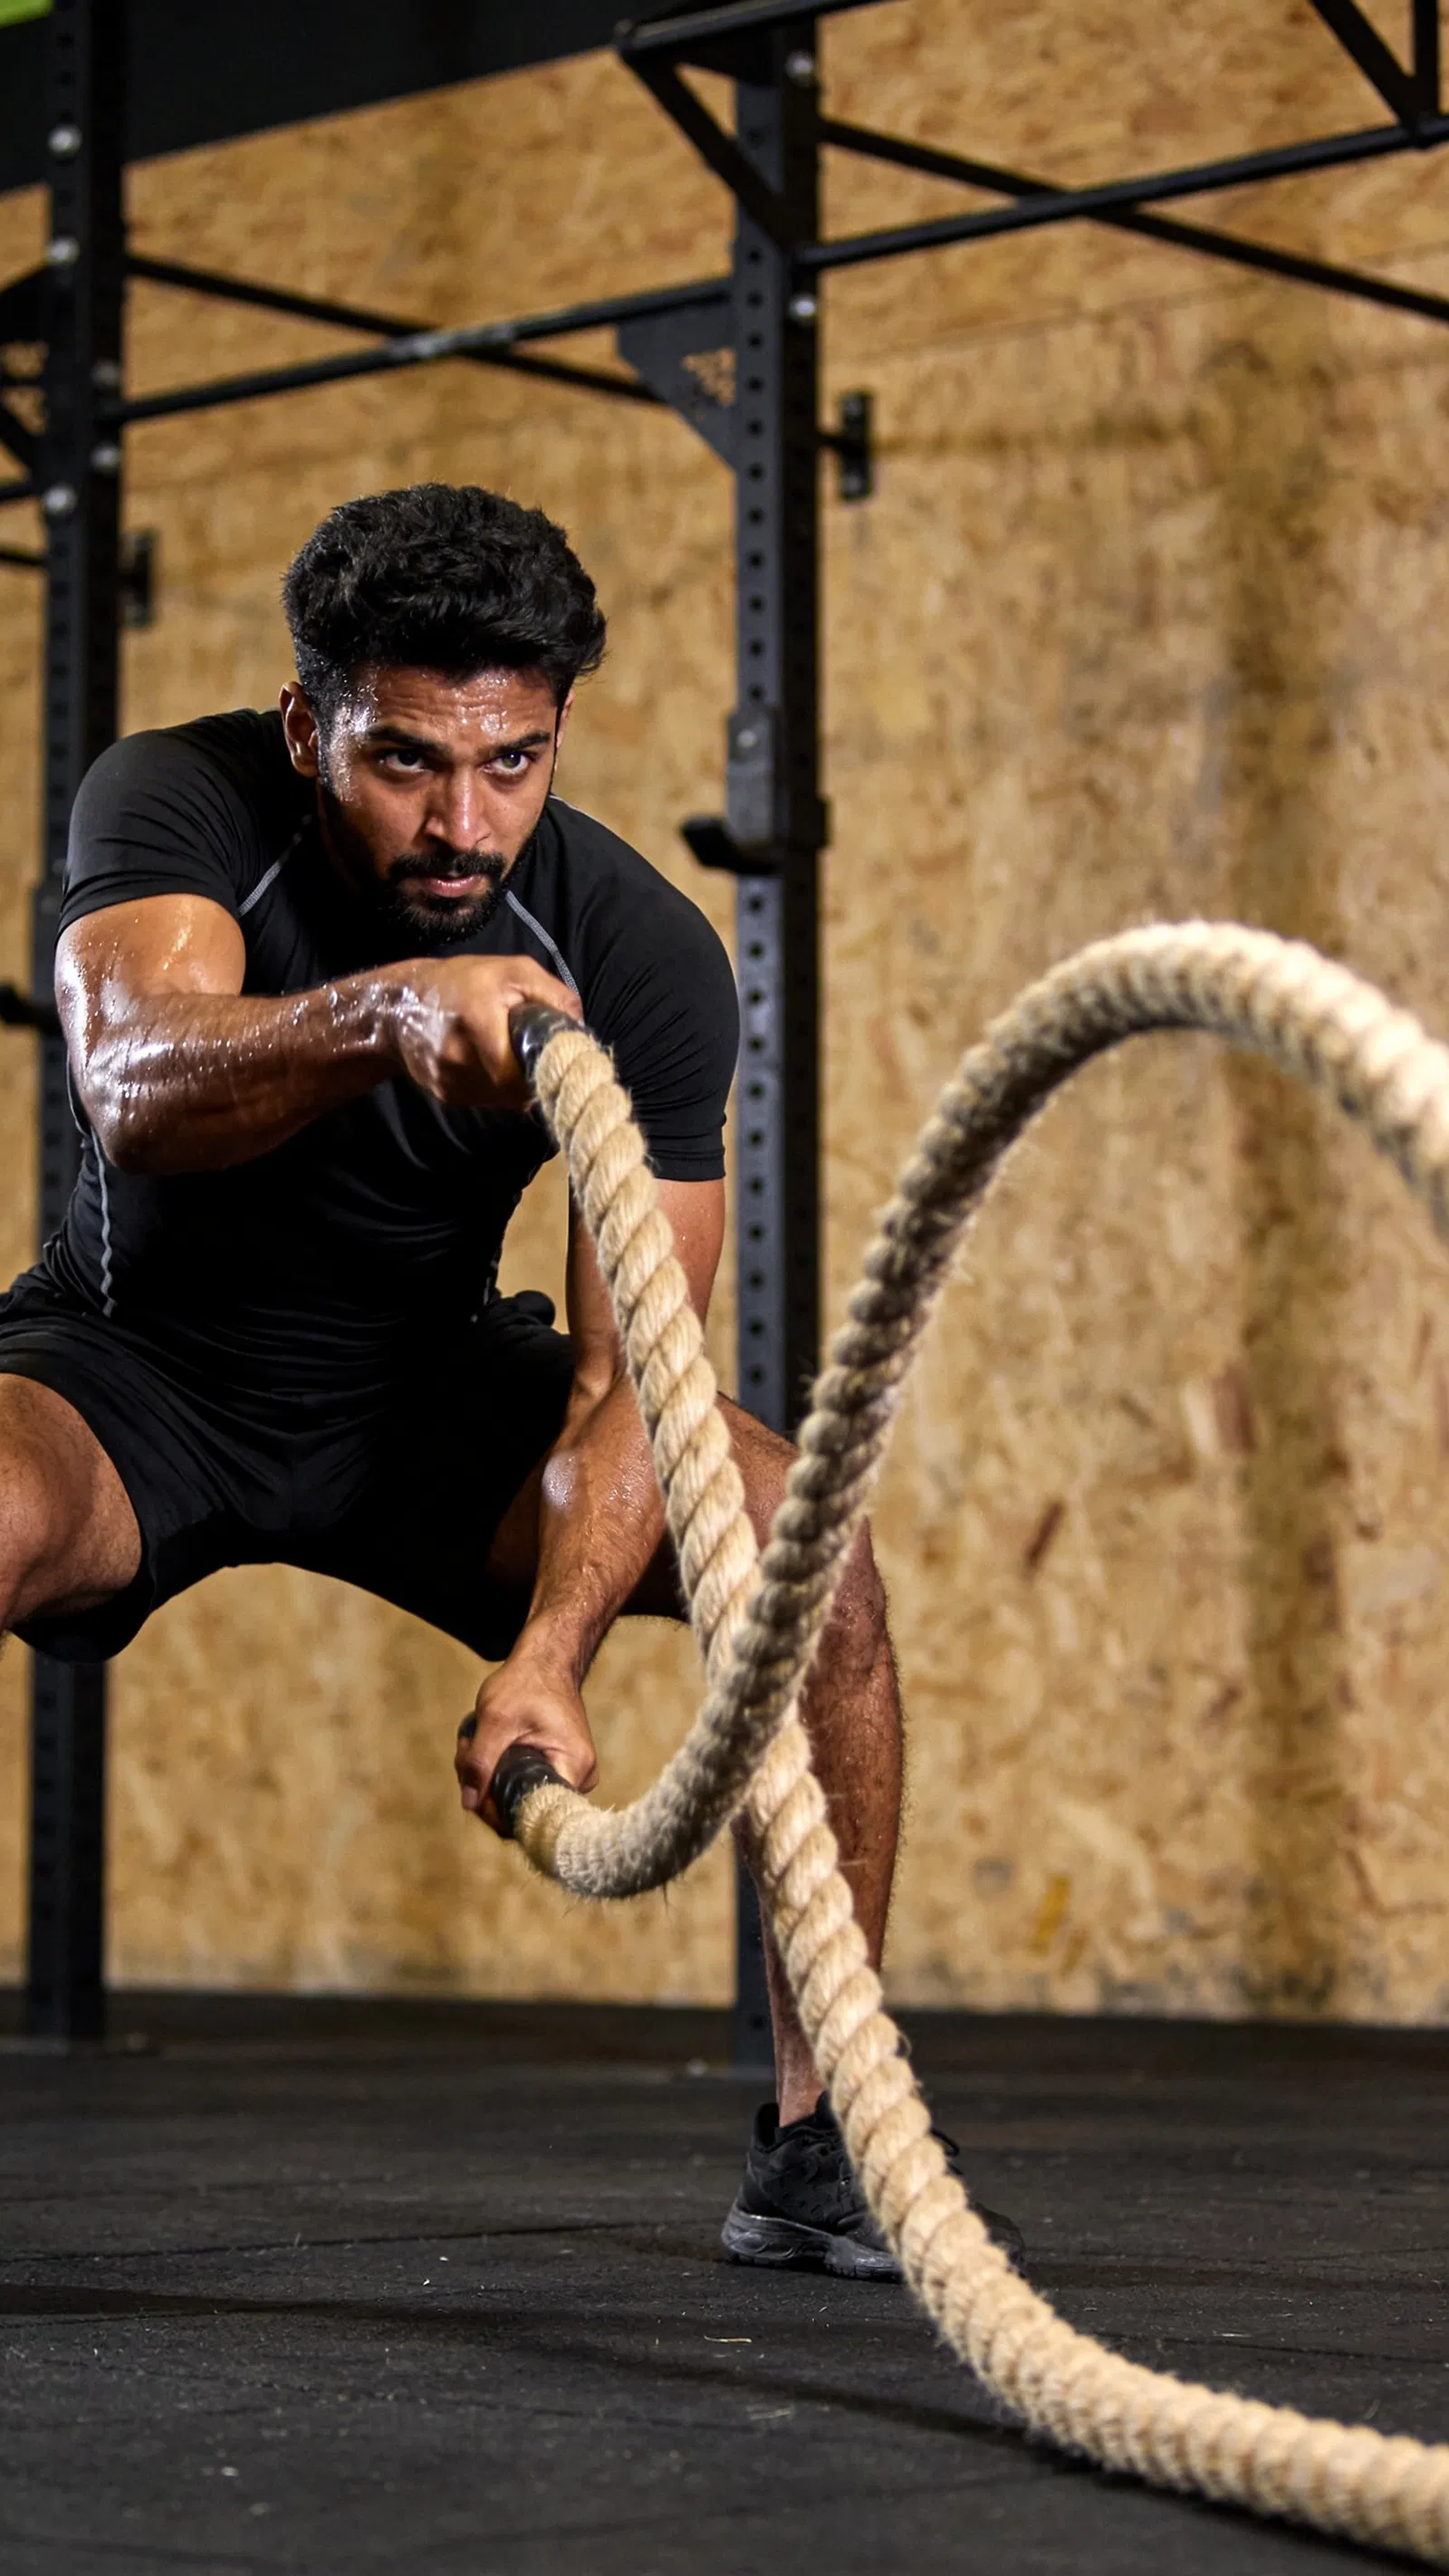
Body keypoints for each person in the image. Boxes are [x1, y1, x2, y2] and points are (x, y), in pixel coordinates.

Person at [0, 482, 1013, 2279]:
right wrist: (387, 1014)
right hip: (130, 1369)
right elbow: (135, 1083)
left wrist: (549, 1652)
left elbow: (634, 1381)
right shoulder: (175, 798)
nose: (461, 824)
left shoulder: (635, 954)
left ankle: (822, 2135)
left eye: (511, 763)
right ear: (308, 727)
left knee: (803, 1545)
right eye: (404, 760)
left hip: (419, 1399)